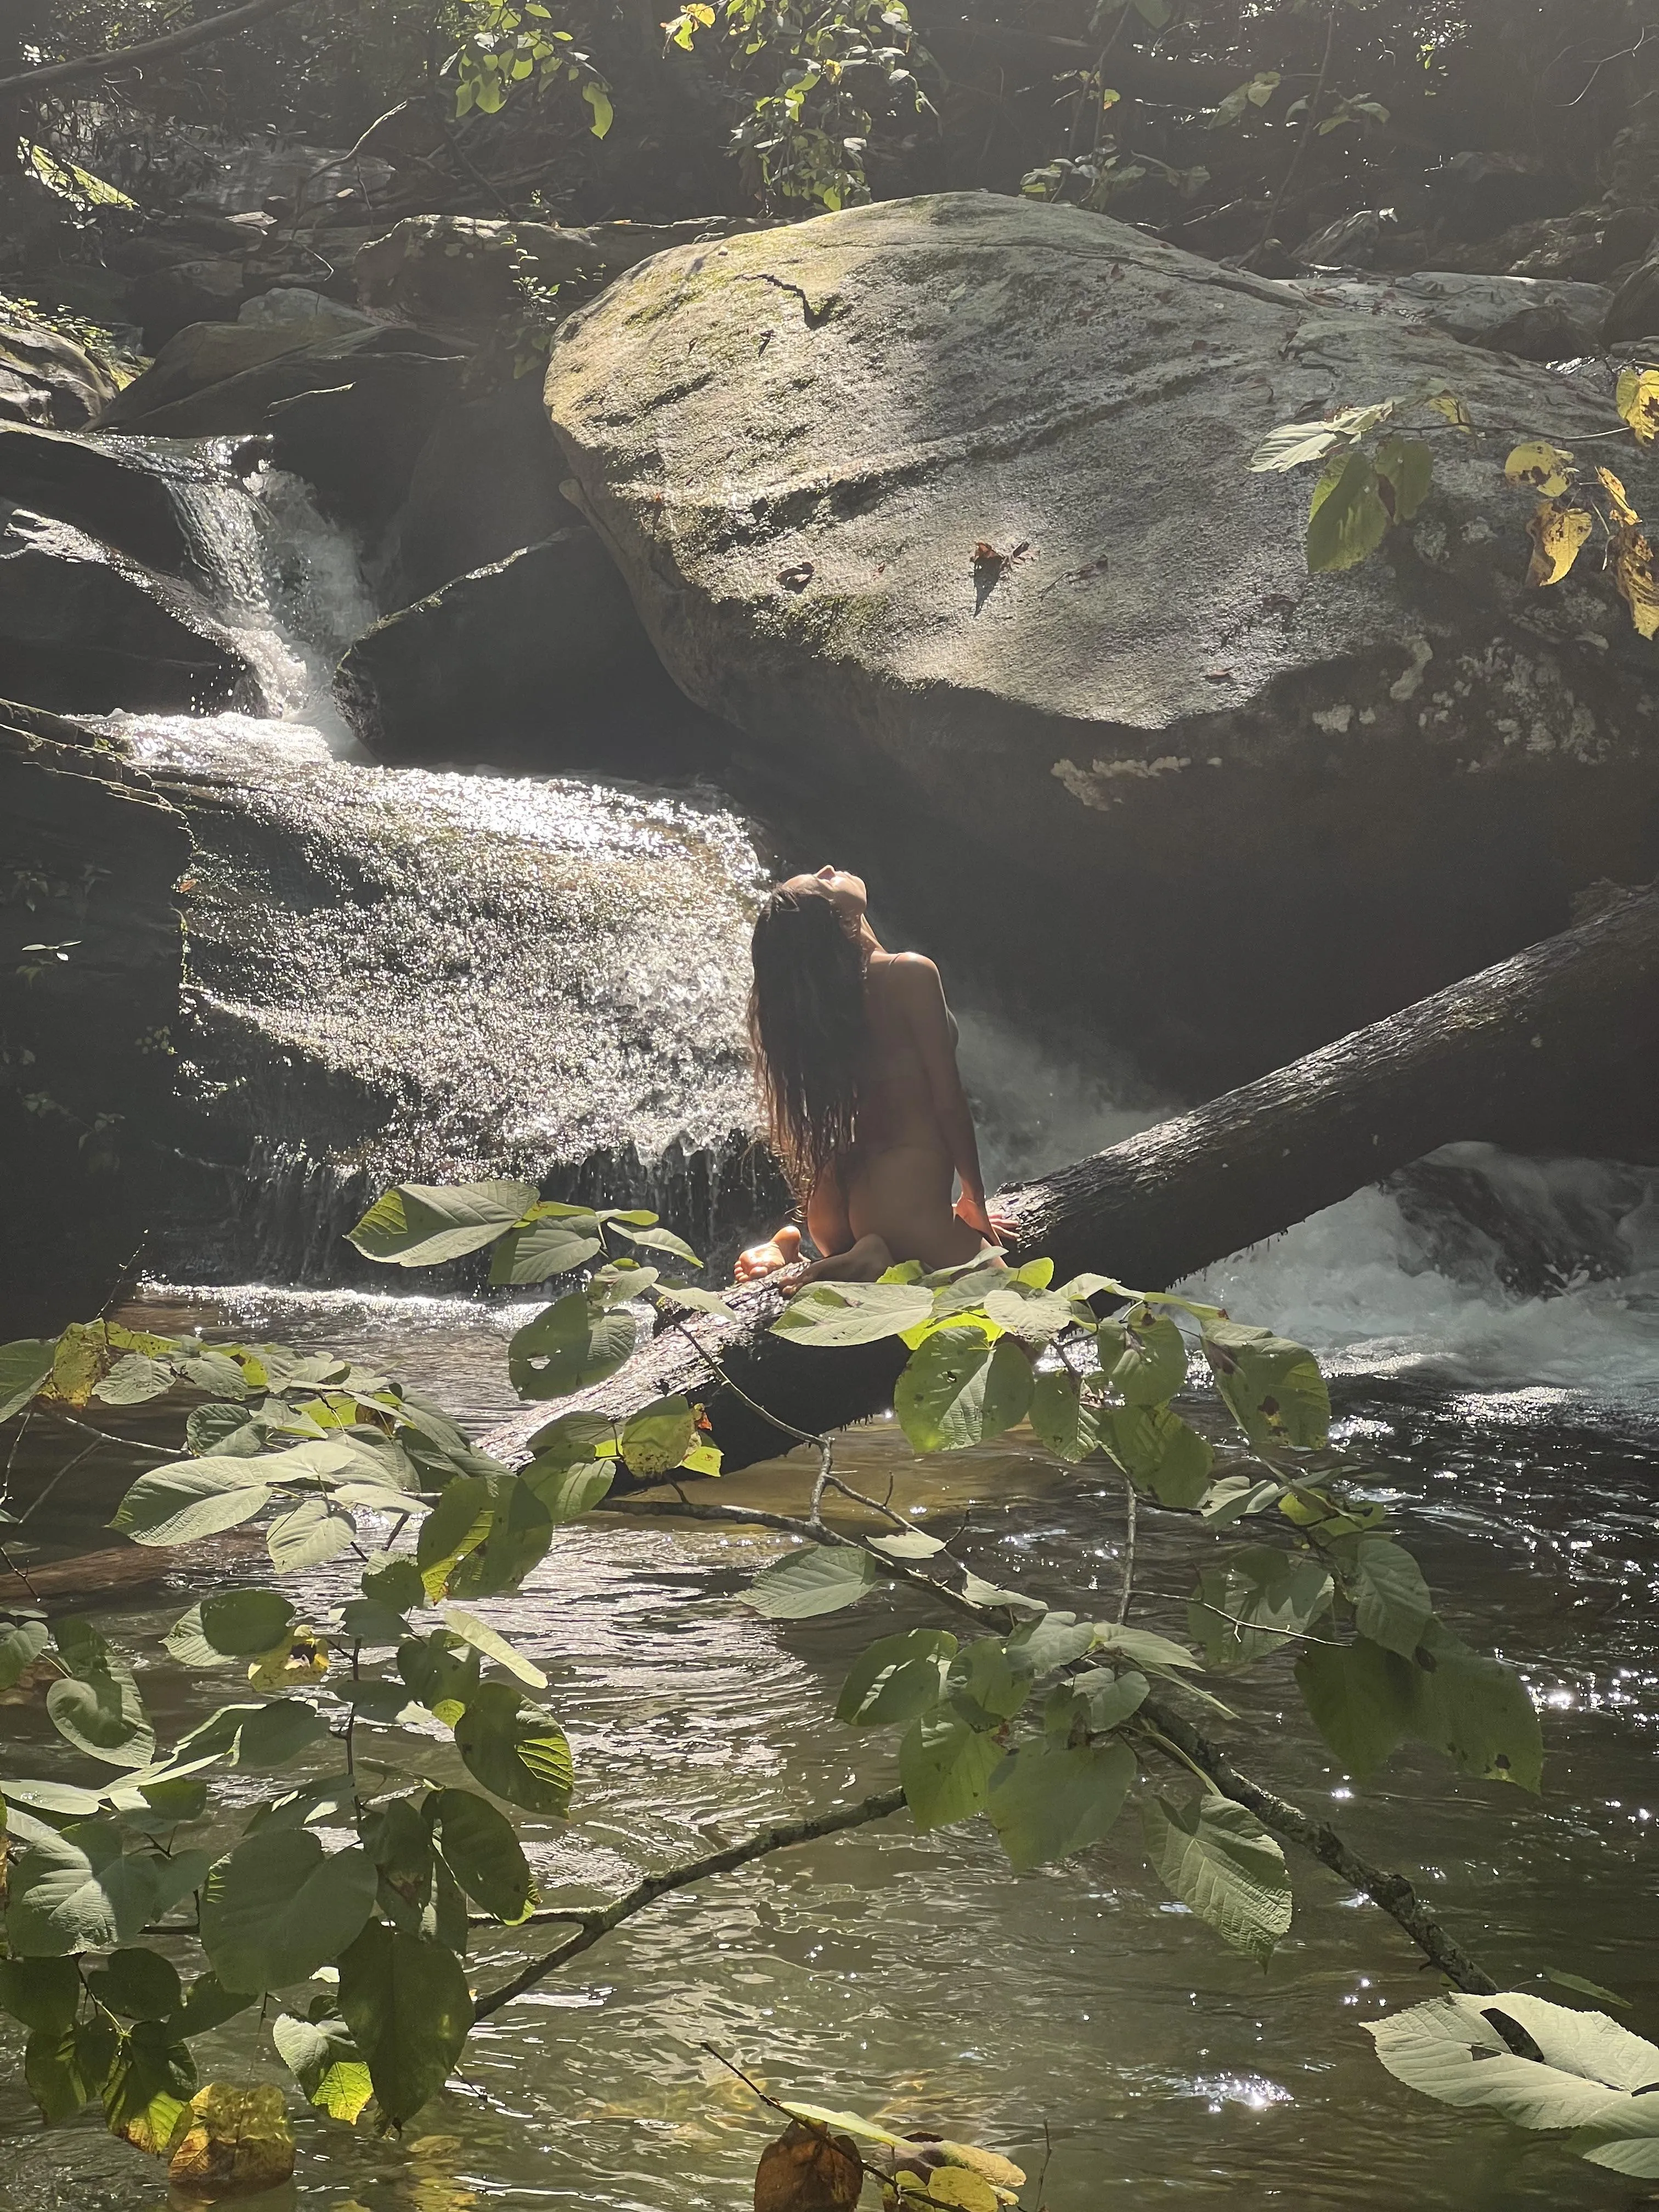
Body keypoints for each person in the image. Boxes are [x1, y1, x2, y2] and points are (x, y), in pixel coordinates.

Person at [734, 866, 1014, 1285]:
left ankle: (796, 1251)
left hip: (832, 1202)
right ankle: (872, 1255)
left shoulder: (824, 1003)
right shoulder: (909, 973)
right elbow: (948, 1099)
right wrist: (973, 1197)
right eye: (822, 883)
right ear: (837, 919)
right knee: (1023, 1330)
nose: (829, 869)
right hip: (901, 1197)